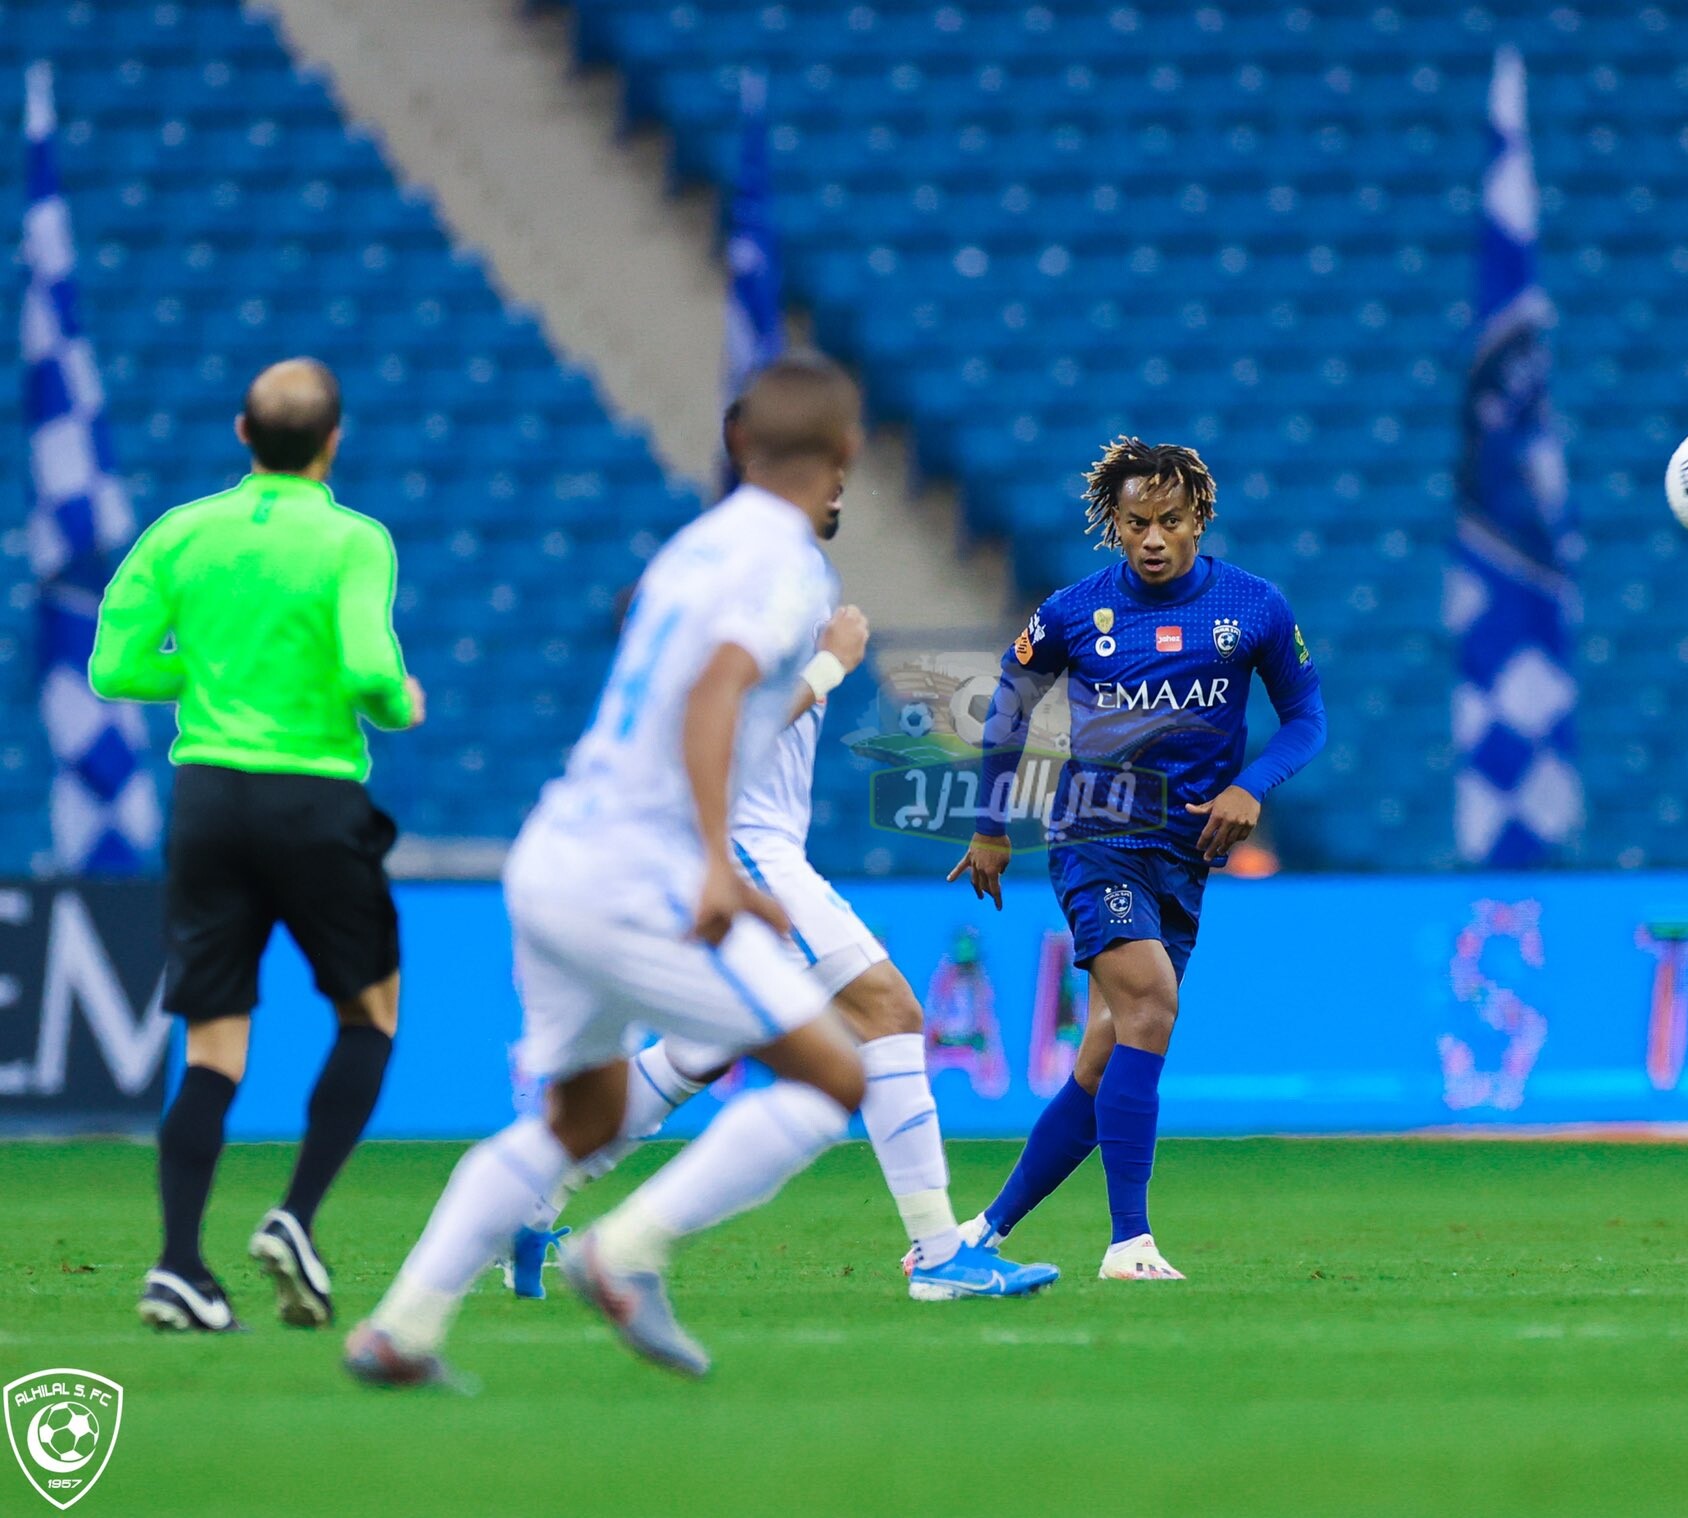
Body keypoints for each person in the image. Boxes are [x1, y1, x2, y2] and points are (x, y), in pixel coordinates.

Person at [345, 354, 881, 1386]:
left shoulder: (693, 545)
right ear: (847, 453)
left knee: (578, 1118)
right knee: (833, 1074)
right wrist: (715, 865)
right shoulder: (785, 564)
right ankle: (626, 1249)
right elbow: (715, 688)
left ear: (737, 445)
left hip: (555, 852)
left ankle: (400, 1327)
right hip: (636, 871)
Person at [500, 406, 1057, 1303]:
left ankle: (528, 1205)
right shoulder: (775, 573)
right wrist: (835, 663)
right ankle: (939, 1252)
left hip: (738, 839)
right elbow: (723, 718)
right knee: (889, 1012)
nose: (843, 479)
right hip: (745, 846)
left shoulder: (725, 560)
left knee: (700, 1049)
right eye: (830, 460)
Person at [89, 358, 425, 1333]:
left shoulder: (182, 532)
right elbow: (368, 666)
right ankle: (294, 1217)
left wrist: (205, 682)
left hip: (206, 798)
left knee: (213, 1041)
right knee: (369, 1012)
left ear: (243, 432)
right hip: (312, 798)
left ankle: (179, 1267)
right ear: (334, 441)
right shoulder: (353, 539)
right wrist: (394, 701)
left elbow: (114, 668)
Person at [946, 437, 1326, 1280]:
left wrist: (1253, 784)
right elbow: (1010, 706)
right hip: (1094, 838)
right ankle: (1129, 1241)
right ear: (1112, 527)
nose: (1152, 539)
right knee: (1150, 1007)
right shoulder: (1074, 611)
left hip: (1186, 855)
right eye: (1135, 523)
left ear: (1200, 520)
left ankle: (983, 1230)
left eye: (1169, 521)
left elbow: (1306, 716)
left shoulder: (1253, 608)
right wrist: (989, 824)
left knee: (1109, 1048)